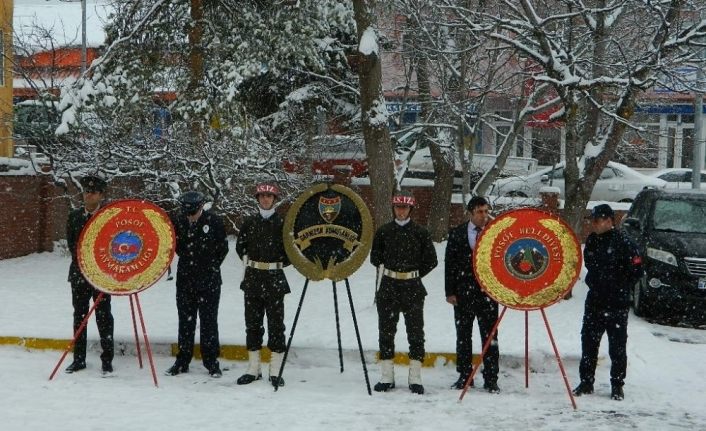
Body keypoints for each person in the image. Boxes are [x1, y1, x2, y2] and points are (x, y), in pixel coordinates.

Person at [573, 203, 643, 401]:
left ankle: (617, 385)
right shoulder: (593, 240)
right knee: (588, 343)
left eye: (597, 220)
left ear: (609, 221)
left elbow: (636, 270)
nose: (593, 224)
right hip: (595, 301)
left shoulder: (624, 242)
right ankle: (586, 382)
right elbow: (590, 264)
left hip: (616, 303)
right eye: (592, 220)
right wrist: (594, 281)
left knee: (617, 346)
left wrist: (619, 286)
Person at [370, 190, 438, 395]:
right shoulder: (383, 231)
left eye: (405, 207)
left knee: (416, 333)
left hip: (413, 289)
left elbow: (431, 261)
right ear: (393, 208)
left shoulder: (421, 232)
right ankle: (386, 376)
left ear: (411, 209)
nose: (401, 211)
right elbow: (375, 258)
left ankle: (415, 378)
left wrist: (413, 273)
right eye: (398, 207)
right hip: (389, 287)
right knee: (386, 332)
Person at [166, 191, 229, 378]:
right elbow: (175, 247)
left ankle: (211, 362)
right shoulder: (178, 222)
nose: (190, 215)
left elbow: (222, 248)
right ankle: (182, 360)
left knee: (209, 322)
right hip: (186, 280)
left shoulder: (214, 221)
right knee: (185, 322)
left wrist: (207, 267)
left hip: (209, 280)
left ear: (201, 207)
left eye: (193, 211)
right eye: (187, 212)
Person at [235, 183, 291, 387]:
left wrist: (276, 265)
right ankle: (254, 369)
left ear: (275, 199)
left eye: (269, 196)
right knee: (252, 324)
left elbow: (290, 254)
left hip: (275, 279)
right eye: (262, 196)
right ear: (257, 198)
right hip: (253, 279)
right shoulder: (249, 222)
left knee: (276, 325)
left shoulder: (283, 223)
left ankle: (275, 371)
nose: (266, 199)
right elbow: (240, 247)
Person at [445, 196, 500, 393]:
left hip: (488, 294)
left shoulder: (495, 232)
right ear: (471, 213)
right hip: (463, 294)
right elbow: (449, 263)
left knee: (490, 338)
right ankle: (465, 375)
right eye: (480, 212)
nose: (484, 215)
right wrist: (449, 291)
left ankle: (491, 378)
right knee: (463, 336)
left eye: (486, 211)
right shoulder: (458, 233)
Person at [65, 174, 115, 375]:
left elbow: (112, 248)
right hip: (79, 275)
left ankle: (107, 359)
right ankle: (79, 359)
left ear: (101, 195)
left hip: (101, 277)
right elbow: (72, 246)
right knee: (80, 317)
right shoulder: (74, 216)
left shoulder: (107, 218)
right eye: (86, 191)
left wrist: (98, 269)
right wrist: (84, 266)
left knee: (104, 317)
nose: (88, 195)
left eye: (93, 192)